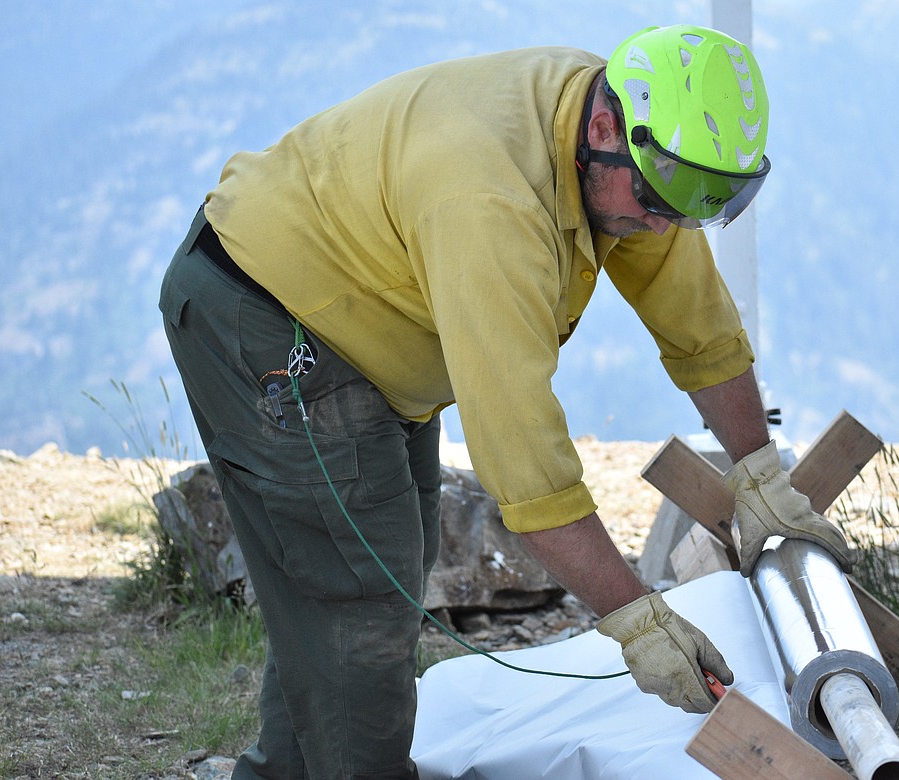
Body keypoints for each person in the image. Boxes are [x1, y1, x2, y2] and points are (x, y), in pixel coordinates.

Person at [159, 23, 854, 779]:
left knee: (370, 572)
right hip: (272, 321)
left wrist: (759, 474)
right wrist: (637, 620)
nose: (661, 224)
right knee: (360, 593)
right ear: (603, 129)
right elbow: (523, 463)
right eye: (658, 202)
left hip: (356, 328)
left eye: (690, 209)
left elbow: (699, 328)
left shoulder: (641, 154)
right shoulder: (492, 199)